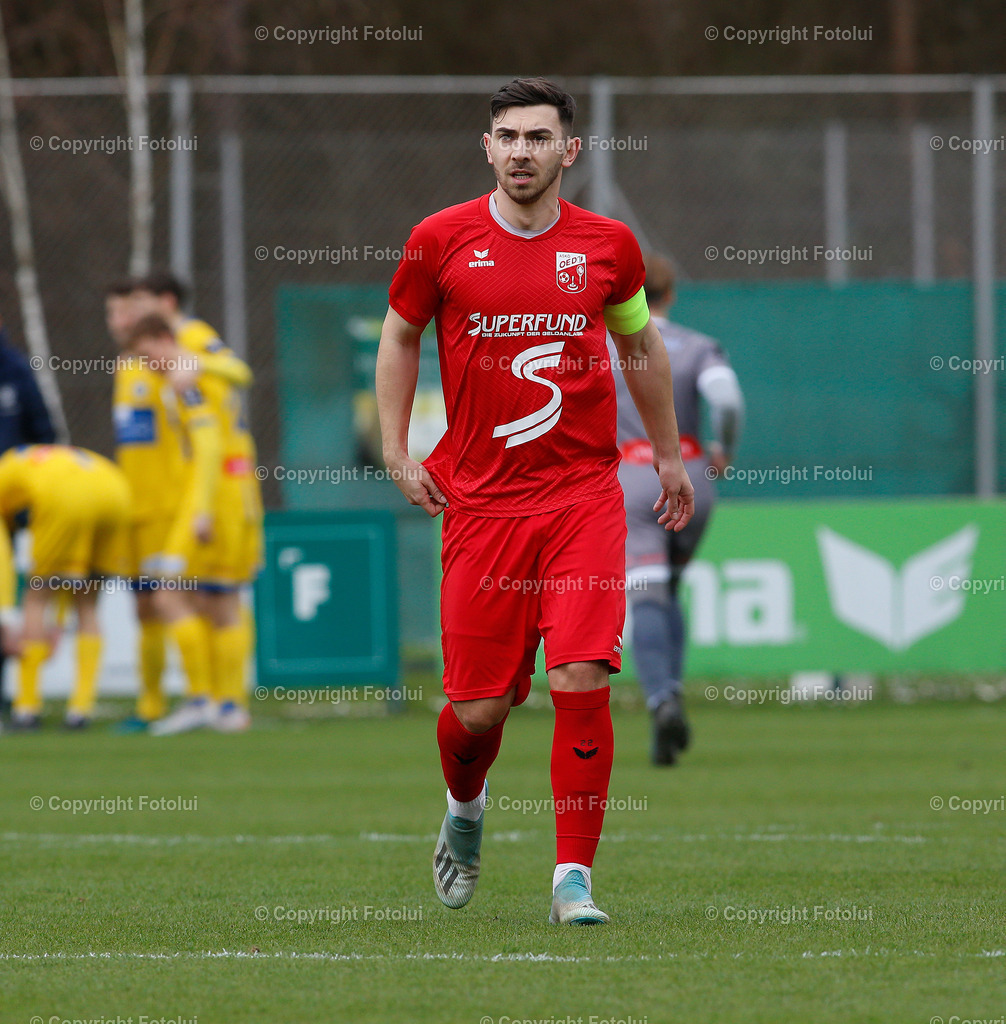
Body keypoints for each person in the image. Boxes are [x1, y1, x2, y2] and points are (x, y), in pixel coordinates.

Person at [376, 77, 694, 925]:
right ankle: (465, 807)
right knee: (476, 713)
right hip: (479, 505)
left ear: (569, 150)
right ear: (488, 148)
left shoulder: (608, 246)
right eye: (508, 137)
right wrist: (396, 447)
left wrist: (665, 455)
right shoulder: (438, 240)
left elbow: (640, 344)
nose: (522, 151)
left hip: (583, 496)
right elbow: (401, 335)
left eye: (538, 137)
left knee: (582, 672)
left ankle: (572, 878)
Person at [610, 253, 744, 766]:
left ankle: (661, 700)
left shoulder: (603, 346)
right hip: (692, 475)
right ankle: (672, 697)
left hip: (632, 478)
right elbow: (727, 401)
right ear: (672, 294)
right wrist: (724, 449)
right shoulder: (698, 346)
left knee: (645, 593)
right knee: (670, 589)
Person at [107, 276, 255, 731]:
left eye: (135, 304)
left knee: (200, 595)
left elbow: (211, 442)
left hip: (211, 498)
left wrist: (203, 509)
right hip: (189, 499)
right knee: (197, 595)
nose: (124, 316)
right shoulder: (154, 369)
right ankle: (218, 706)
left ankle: (214, 701)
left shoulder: (189, 355)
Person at [0, 445, 130, 729]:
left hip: (67, 495)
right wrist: (58, 623)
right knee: (87, 601)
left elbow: (3, 556)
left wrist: (6, 615)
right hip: (116, 490)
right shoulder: (31, 457)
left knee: (37, 594)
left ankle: (27, 709)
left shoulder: (7, 474)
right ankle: (81, 710)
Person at [0, 314, 57, 717]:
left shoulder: (16, 369)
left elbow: (44, 432)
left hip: (7, 505)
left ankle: (10, 699)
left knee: (5, 600)